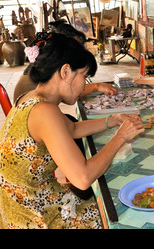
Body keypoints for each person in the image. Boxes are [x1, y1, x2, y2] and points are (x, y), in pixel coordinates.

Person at [0, 32, 145, 228]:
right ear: (65, 72)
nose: (84, 86)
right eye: (84, 77)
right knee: (122, 214)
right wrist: (120, 137)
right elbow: (83, 178)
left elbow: (72, 128)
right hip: (34, 216)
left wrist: (113, 119)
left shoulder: (30, 97)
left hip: (23, 203)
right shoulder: (44, 111)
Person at [13, 20, 118, 102]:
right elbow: (71, 91)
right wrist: (96, 86)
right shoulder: (44, 102)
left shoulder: (48, 62)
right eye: (74, 48)